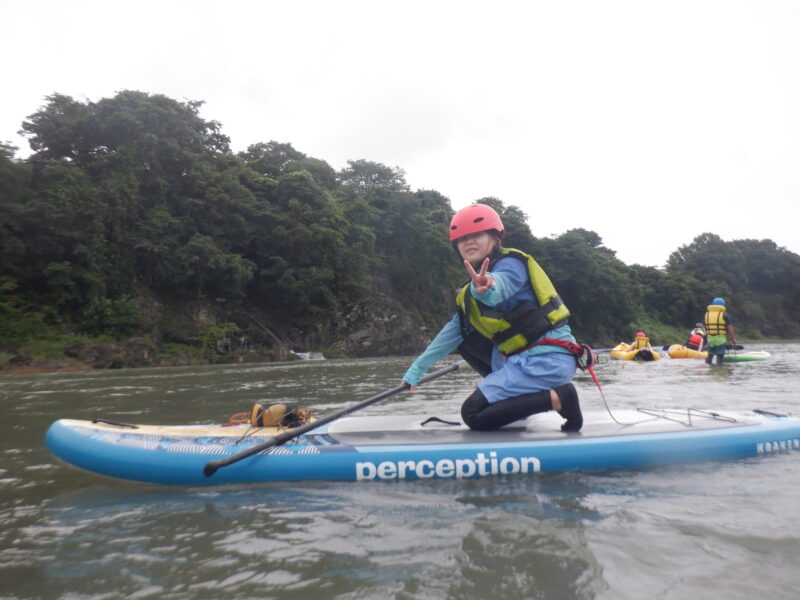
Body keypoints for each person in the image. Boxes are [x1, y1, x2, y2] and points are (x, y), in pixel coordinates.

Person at [402, 204, 583, 432]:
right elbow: (450, 334)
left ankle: (561, 398)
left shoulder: (511, 264)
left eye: (476, 235)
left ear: (496, 238)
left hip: (546, 360)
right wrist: (416, 371)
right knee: (465, 338)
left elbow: (501, 284)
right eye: (462, 239)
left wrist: (487, 286)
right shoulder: (470, 290)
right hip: (520, 361)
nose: (468, 242)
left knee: (473, 414)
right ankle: (512, 398)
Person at [704, 297, 736, 365]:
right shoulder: (725, 315)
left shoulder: (707, 314)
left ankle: (707, 368)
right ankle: (719, 369)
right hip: (720, 339)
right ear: (723, 305)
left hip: (710, 339)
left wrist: (706, 341)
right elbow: (730, 328)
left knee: (710, 355)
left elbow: (706, 327)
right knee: (720, 356)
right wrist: (733, 339)